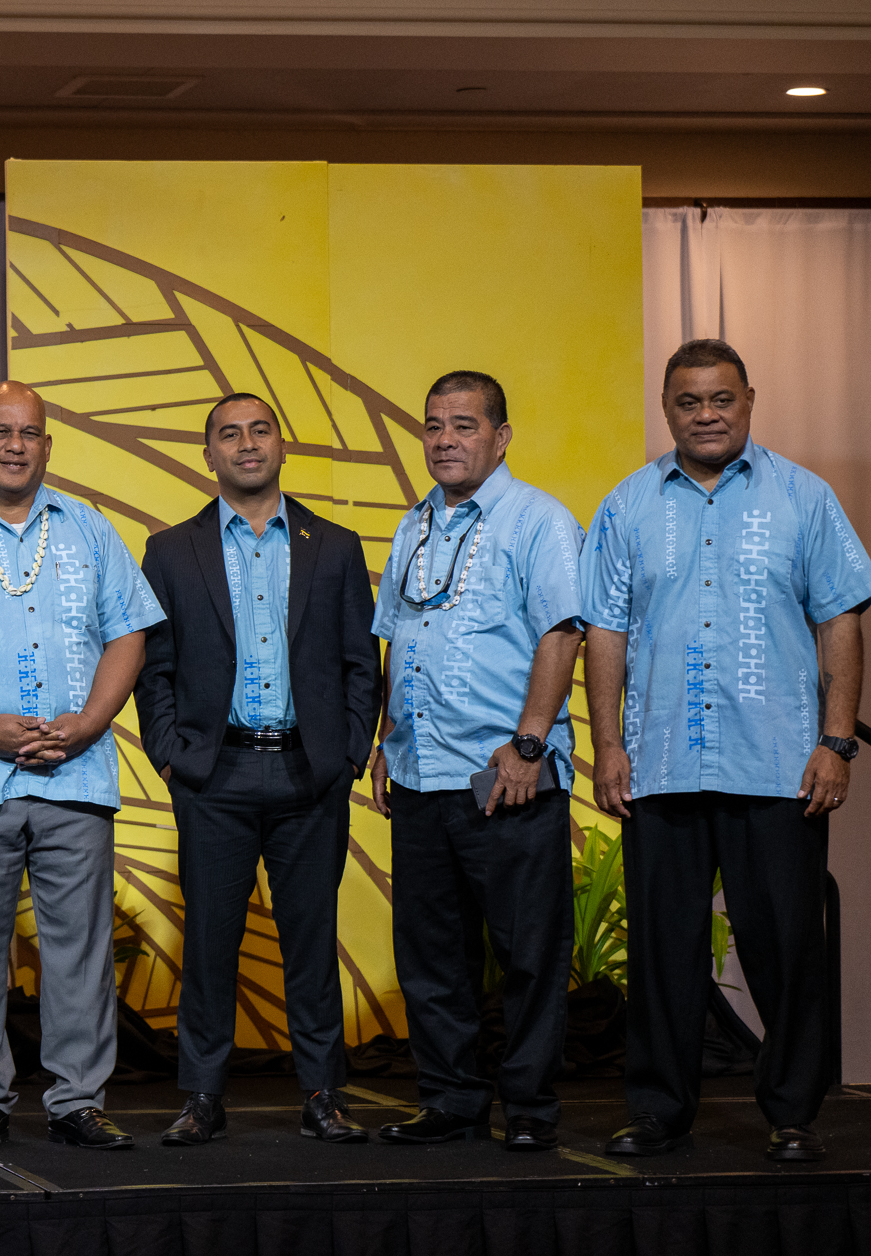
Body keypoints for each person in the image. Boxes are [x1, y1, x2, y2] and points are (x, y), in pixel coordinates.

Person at [583, 338, 867, 1163]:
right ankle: (659, 1110)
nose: (705, 415)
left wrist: (836, 741)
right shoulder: (627, 505)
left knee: (785, 946)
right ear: (665, 408)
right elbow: (604, 631)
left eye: (721, 400)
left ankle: (791, 1111)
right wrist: (609, 745)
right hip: (662, 764)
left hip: (777, 765)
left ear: (750, 400)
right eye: (687, 402)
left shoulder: (804, 499)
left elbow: (840, 619)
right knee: (664, 951)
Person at [0, 380, 163, 1153]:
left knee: (78, 948)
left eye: (31, 433)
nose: (16, 445)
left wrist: (88, 724)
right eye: (1, 431)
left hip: (74, 773)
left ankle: (76, 1100)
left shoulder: (90, 530)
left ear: (48, 445)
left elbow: (129, 634)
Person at [134, 392, 378, 1147]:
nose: (246, 444)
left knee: (313, 938)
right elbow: (155, 668)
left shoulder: (333, 546)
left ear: (282, 444)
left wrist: (349, 755)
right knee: (210, 942)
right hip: (215, 775)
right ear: (207, 454)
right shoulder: (171, 551)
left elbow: (359, 661)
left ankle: (322, 1094)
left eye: (259, 430)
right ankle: (203, 1097)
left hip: (312, 775)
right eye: (228, 434)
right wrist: (172, 754)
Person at [366, 372, 585, 1151]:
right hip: (422, 774)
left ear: (501, 435)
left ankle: (527, 1106)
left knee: (527, 954)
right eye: (433, 426)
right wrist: (387, 743)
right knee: (431, 958)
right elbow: (398, 638)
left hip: (508, 780)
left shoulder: (540, 521)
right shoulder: (413, 525)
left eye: (464, 425)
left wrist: (531, 743)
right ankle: (453, 1099)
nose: (445, 440)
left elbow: (562, 632)